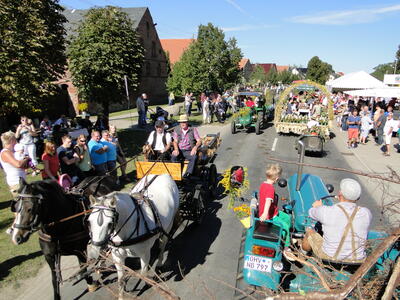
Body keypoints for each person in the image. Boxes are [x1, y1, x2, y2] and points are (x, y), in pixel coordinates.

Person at [302, 178, 372, 262]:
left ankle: (302, 256)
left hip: (331, 258)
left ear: (340, 194)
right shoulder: (366, 213)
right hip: (358, 260)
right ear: (358, 198)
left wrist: (318, 206)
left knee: (309, 231)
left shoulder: (326, 211)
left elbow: (311, 212)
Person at [0, 131, 29, 198]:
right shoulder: (5, 152)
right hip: (15, 182)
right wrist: (26, 159)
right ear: (11, 140)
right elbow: (18, 164)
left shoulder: (13, 151)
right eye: (15, 139)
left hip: (21, 179)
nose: (16, 141)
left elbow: (22, 166)